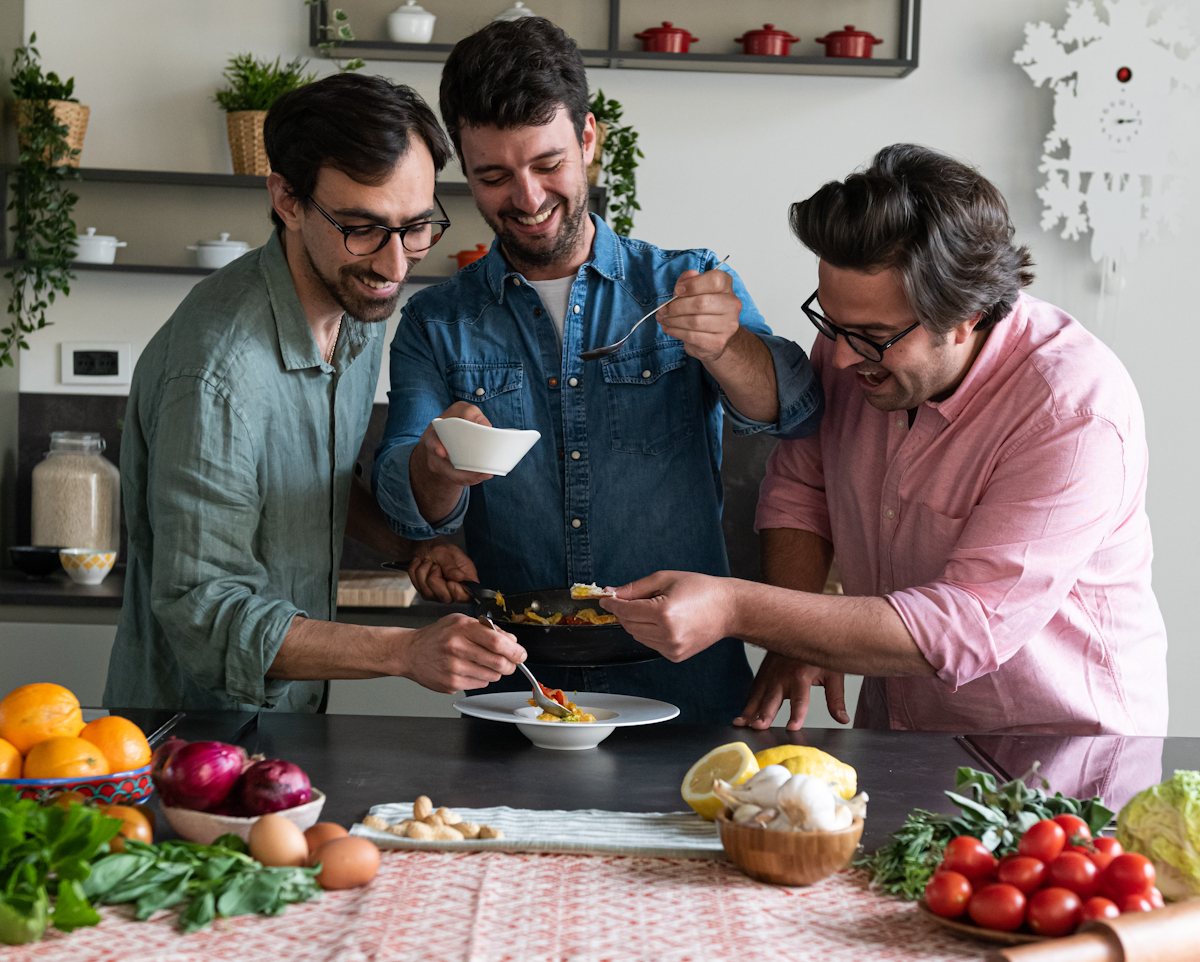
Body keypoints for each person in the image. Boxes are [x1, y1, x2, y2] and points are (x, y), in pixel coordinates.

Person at [600, 144, 1168, 737]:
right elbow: (801, 490)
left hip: (1061, 757)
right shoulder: (857, 349)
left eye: (870, 336)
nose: (840, 358)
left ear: (965, 316)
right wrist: (796, 638)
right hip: (903, 736)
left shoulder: (1071, 410)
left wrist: (738, 609)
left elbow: (966, 626)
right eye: (832, 323)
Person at [372, 18, 823, 724]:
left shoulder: (685, 280)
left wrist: (725, 346)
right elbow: (405, 498)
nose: (525, 198)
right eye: (493, 175)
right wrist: (436, 466)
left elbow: (792, 409)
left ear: (588, 140)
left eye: (547, 164)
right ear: (464, 168)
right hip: (517, 690)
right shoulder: (436, 323)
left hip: (686, 679)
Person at [104, 74, 524, 712]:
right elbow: (204, 613)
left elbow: (305, 486)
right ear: (287, 199)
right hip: (196, 736)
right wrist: (402, 652)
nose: (395, 266)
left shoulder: (351, 309)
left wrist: (411, 546)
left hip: (293, 725)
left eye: (416, 226)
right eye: (361, 226)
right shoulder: (216, 376)